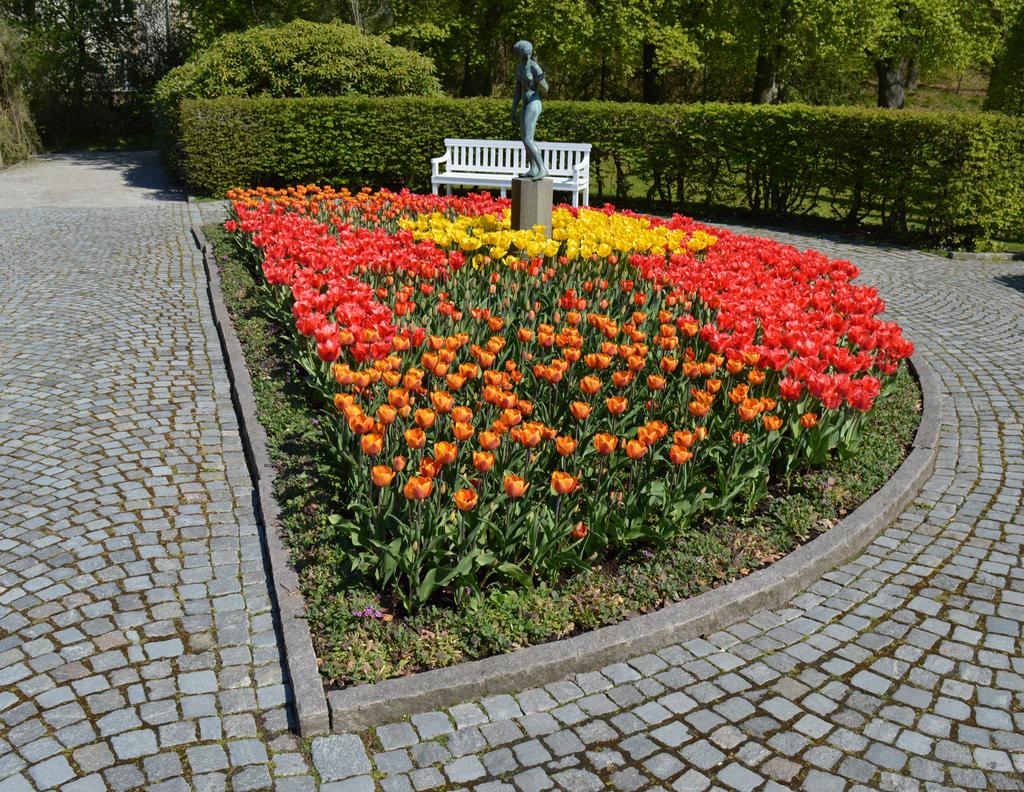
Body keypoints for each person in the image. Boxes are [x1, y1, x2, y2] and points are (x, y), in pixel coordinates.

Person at [510, 40, 549, 180]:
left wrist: (540, 80)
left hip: (534, 102)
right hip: (525, 103)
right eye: (524, 52)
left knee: (527, 139)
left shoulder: (535, 67)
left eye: (528, 52)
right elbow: (518, 90)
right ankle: (532, 169)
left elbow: (546, 89)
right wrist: (514, 108)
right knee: (526, 138)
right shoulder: (519, 68)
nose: (527, 54)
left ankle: (542, 168)